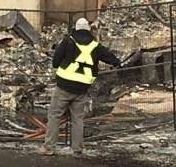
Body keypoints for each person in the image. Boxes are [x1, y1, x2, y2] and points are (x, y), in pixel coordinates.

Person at [41, 17, 122, 157]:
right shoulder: (95, 45)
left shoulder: (68, 41)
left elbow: (55, 61)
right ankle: (77, 150)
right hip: (82, 88)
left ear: (76, 28)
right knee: (77, 119)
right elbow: (112, 59)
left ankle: (49, 147)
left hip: (64, 86)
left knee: (54, 116)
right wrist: (118, 63)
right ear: (88, 30)